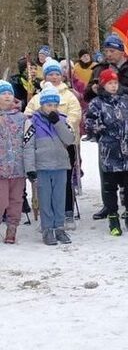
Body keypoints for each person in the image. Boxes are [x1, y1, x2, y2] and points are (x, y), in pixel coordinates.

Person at [84, 34, 128, 220]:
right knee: (107, 169)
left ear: (122, 51)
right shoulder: (99, 69)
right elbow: (86, 94)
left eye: (112, 51)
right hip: (107, 129)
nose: (108, 55)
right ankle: (109, 205)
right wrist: (94, 90)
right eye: (106, 51)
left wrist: (123, 91)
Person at [25, 59, 82, 231]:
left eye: (57, 73)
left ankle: (67, 212)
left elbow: (75, 114)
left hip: (64, 144)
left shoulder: (68, 95)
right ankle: (47, 219)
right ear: (45, 76)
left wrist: (64, 128)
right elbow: (28, 115)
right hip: (42, 146)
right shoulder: (37, 97)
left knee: (65, 181)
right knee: (45, 187)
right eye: (50, 74)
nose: (54, 77)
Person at [84, 69, 128, 236]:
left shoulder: (127, 100)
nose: (113, 86)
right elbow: (89, 123)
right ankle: (113, 217)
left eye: (115, 83)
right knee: (110, 187)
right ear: (103, 84)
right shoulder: (96, 103)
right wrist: (104, 129)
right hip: (110, 152)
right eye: (110, 83)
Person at [23, 84, 76, 245]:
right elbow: (28, 147)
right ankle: (47, 229)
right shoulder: (32, 122)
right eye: (48, 105)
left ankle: (59, 228)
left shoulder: (63, 120)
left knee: (59, 198)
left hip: (60, 165)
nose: (52, 108)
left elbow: (69, 139)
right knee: (45, 199)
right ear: (41, 104)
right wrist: (30, 169)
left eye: (55, 105)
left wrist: (57, 123)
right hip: (42, 166)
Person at [0, 80, 27, 244]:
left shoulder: (22, 117)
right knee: (1, 200)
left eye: (10, 93)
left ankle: (12, 228)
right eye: (3, 93)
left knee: (16, 200)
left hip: (18, 166)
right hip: (1, 168)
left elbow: (29, 140)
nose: (7, 96)